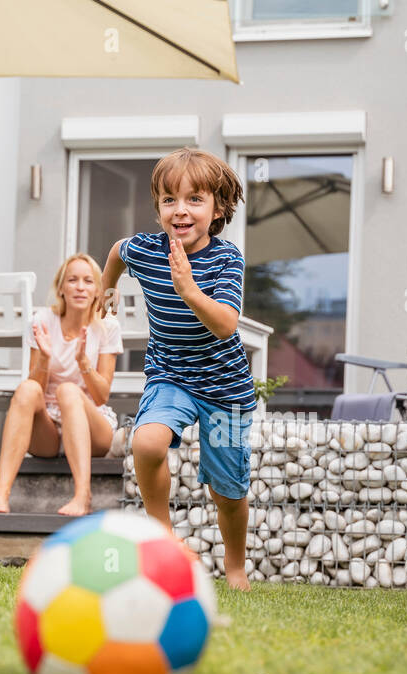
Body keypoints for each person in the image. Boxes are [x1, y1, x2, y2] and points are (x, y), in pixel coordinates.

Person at [101, 147, 254, 591]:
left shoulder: (227, 259)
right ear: (158, 208)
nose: (180, 210)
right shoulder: (146, 250)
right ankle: (163, 540)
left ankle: (236, 565)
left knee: (227, 492)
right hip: (170, 376)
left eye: (194, 200)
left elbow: (225, 324)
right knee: (146, 443)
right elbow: (116, 252)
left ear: (218, 209)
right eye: (169, 200)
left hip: (226, 392)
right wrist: (107, 289)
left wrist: (189, 289)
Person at [0, 254, 122, 516]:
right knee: (26, 388)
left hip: (92, 427)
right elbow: (33, 391)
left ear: (97, 291)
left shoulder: (107, 326)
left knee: (68, 390)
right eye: (72, 280)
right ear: (61, 288)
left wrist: (83, 363)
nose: (80, 287)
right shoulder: (42, 321)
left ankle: (83, 496)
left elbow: (102, 396)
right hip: (47, 432)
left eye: (88, 281)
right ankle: (0, 495)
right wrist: (45, 359)